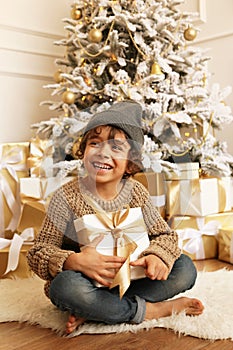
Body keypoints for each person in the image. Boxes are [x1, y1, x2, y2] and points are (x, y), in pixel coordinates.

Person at [27, 101, 204, 335]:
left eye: (116, 148)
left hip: (133, 277)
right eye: (94, 143)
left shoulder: (136, 193)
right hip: (87, 282)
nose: (103, 152)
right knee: (65, 288)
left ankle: (99, 309)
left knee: (185, 268)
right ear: (83, 151)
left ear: (130, 163)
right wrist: (73, 261)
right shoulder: (65, 197)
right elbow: (37, 252)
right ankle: (149, 310)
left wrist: (157, 256)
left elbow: (165, 235)